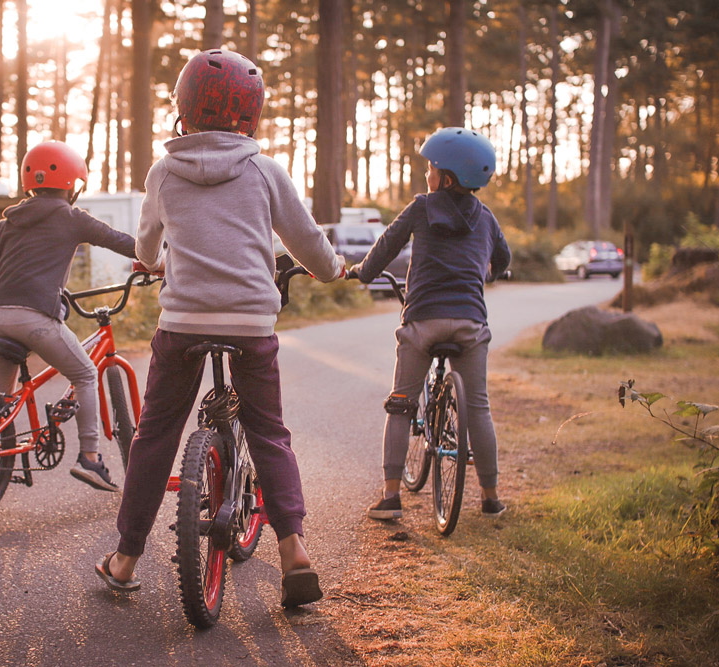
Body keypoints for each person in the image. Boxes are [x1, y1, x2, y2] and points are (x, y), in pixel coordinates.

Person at [94, 49, 345, 608]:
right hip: (252, 321)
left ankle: (125, 557)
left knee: (154, 435)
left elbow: (144, 247)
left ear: (184, 107)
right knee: (269, 433)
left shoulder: (163, 171)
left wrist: (157, 260)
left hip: (182, 323)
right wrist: (331, 270)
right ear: (250, 114)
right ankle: (293, 552)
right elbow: (307, 242)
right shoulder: (264, 169)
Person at [0, 140, 137, 514]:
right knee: (86, 373)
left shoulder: (9, 220)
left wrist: (23, 279)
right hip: (34, 317)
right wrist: (156, 258)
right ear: (73, 182)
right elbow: (117, 241)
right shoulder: (70, 217)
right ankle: (90, 458)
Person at [348, 127, 511, 521]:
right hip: (470, 325)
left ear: (447, 178)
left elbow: (387, 245)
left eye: (432, 168)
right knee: (479, 408)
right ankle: (490, 498)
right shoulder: (486, 218)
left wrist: (362, 273)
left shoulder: (421, 207)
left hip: (422, 324)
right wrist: (489, 273)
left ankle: (390, 497)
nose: (427, 174)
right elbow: (503, 259)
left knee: (400, 405)